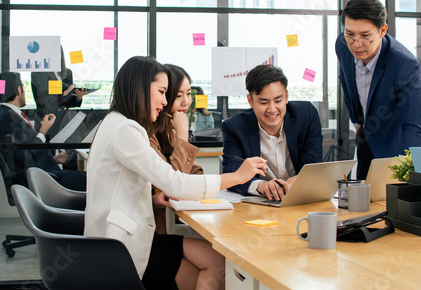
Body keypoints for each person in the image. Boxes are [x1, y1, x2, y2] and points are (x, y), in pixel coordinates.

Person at [84, 56, 266, 290]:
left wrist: (152, 200)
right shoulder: (126, 131)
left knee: (215, 262)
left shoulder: (115, 123)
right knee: (215, 267)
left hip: (123, 239)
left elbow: (120, 188)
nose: (164, 100)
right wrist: (238, 176)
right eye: (162, 91)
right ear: (139, 88)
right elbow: (175, 182)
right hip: (122, 248)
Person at [335, 0, 421, 180]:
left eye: (365, 36)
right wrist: (357, 123)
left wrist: (399, 172)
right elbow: (345, 81)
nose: (356, 44)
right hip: (368, 139)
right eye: (350, 34)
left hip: (403, 146)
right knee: (363, 202)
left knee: (397, 204)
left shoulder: (405, 65)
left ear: (382, 30)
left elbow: (414, 127)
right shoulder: (342, 45)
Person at [222, 64, 323, 200]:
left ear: (286, 96)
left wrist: (297, 180)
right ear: (250, 101)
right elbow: (231, 171)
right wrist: (260, 186)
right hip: (261, 202)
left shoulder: (306, 115)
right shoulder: (234, 127)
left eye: (278, 100)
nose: (272, 109)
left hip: (299, 198)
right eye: (264, 102)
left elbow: (313, 163)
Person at [0, 71, 86, 191]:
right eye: (23, 88)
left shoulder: (7, 115)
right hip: (41, 178)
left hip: (43, 171)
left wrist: (54, 159)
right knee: (89, 179)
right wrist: (42, 131)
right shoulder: (6, 119)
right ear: (19, 90)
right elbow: (23, 157)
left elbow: (24, 152)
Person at [151, 64, 203, 235]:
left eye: (188, 94)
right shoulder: (148, 134)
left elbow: (196, 174)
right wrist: (182, 134)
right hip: (155, 229)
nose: (186, 102)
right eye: (178, 95)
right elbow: (174, 184)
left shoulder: (170, 130)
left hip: (173, 222)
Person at [31, 47, 87, 140]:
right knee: (48, 152)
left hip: (64, 120)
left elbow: (69, 103)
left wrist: (78, 98)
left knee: (65, 152)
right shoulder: (38, 73)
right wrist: (66, 92)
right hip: (47, 119)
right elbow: (43, 100)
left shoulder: (67, 72)